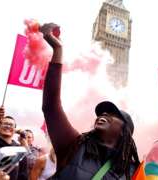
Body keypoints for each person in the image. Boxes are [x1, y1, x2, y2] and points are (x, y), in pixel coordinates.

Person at [40, 23, 140, 179]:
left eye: (112, 114)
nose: (104, 114)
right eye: (103, 112)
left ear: (124, 131)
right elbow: (51, 107)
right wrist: (58, 50)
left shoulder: (133, 171)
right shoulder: (74, 145)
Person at [0, 107, 28, 180]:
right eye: (5, 123)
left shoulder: (19, 149)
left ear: (15, 130)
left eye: (11, 125)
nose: (8, 126)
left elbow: (23, 174)